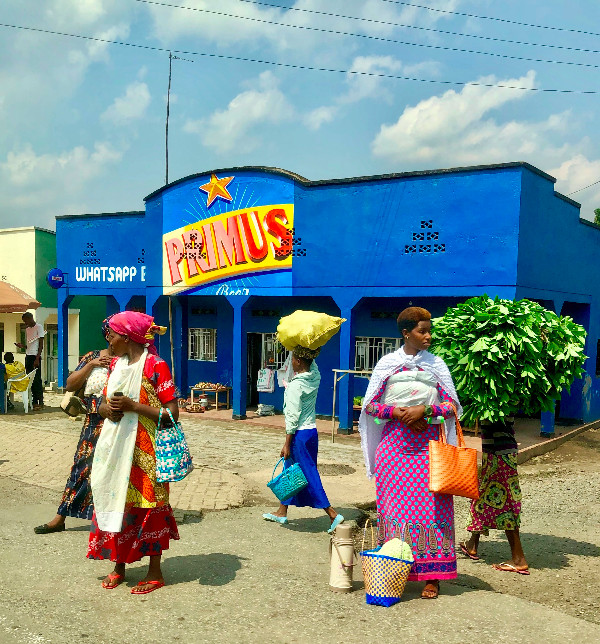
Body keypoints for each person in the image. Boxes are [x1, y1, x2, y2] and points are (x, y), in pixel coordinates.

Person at [359, 307, 462, 599]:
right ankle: (395, 570)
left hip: (429, 451)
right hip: (394, 452)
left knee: (434, 510)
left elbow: (454, 407)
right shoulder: (387, 364)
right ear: (406, 333)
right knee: (394, 514)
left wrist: (425, 410)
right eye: (422, 331)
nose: (428, 336)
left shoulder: (436, 365)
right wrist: (397, 412)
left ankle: (434, 576)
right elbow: (370, 406)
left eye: (430, 331)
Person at [88, 311, 179, 594]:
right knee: (117, 504)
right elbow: (102, 402)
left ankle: (155, 572)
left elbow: (172, 414)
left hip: (148, 453)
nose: (108, 340)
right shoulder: (115, 364)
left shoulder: (156, 366)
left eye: (112, 335)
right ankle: (119, 567)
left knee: (150, 508)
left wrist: (133, 406)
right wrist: (105, 409)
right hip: (115, 449)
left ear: (127, 338)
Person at [33, 320, 114, 534]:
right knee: (81, 468)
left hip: (119, 423)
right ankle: (60, 517)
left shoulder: (128, 359)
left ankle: (112, 520)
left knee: (116, 470)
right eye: (115, 333)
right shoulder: (91, 356)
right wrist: (92, 365)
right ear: (108, 335)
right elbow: (70, 385)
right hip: (94, 423)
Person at [263, 346, 344, 533]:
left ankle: (332, 513)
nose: (290, 362)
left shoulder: (295, 386)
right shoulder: (314, 377)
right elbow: (313, 366)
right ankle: (282, 511)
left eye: (292, 359)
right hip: (311, 433)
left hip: (298, 435)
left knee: (307, 474)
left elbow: (292, 417)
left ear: (298, 361)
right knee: (290, 471)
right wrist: (307, 350)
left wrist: (286, 443)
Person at [459, 416, 529, 574]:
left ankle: (519, 559)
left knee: (506, 502)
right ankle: (472, 544)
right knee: (482, 495)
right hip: (493, 452)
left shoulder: (503, 398)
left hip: (500, 453)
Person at [15, 312, 45, 410]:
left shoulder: (39, 327)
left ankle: (40, 401)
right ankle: (33, 401)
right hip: (28, 355)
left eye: (26, 320)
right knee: (29, 379)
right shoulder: (27, 329)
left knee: (36, 379)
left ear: (31, 318)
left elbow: (41, 344)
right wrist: (22, 346)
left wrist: (37, 358)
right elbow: (30, 345)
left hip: (35, 357)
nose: (25, 323)